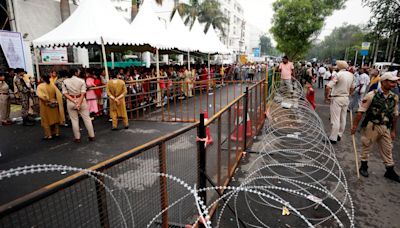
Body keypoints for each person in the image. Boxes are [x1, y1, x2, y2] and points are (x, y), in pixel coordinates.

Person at [351, 72, 400, 183]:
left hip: (385, 126)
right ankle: (364, 166)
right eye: (392, 82)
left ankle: (390, 170)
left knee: (388, 149)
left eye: (395, 82)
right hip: (372, 126)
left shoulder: (394, 97)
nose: (394, 84)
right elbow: (360, 112)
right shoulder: (372, 95)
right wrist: (354, 126)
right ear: (384, 82)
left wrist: (393, 130)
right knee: (367, 146)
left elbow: (395, 114)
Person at [325, 60, 355, 144]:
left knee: (335, 119)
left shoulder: (338, 75)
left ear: (339, 67)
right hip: (345, 98)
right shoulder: (351, 75)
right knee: (343, 118)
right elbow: (353, 88)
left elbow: (328, 87)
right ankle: (339, 135)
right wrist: (348, 94)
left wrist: (327, 96)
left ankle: (333, 138)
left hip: (337, 98)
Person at [62, 68, 95, 143]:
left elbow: (65, 93)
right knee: (87, 119)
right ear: (76, 73)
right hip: (81, 100)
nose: (79, 72)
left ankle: (77, 138)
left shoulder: (65, 81)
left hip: (71, 101)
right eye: (78, 71)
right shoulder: (81, 80)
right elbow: (83, 93)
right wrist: (79, 103)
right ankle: (91, 136)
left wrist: (74, 101)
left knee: (74, 120)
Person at [36, 74, 65, 139]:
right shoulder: (52, 85)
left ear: (42, 78)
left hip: (45, 105)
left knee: (46, 120)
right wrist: (55, 101)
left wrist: (48, 100)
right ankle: (56, 133)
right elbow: (59, 94)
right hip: (54, 104)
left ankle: (49, 135)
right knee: (55, 119)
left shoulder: (40, 86)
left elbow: (41, 96)